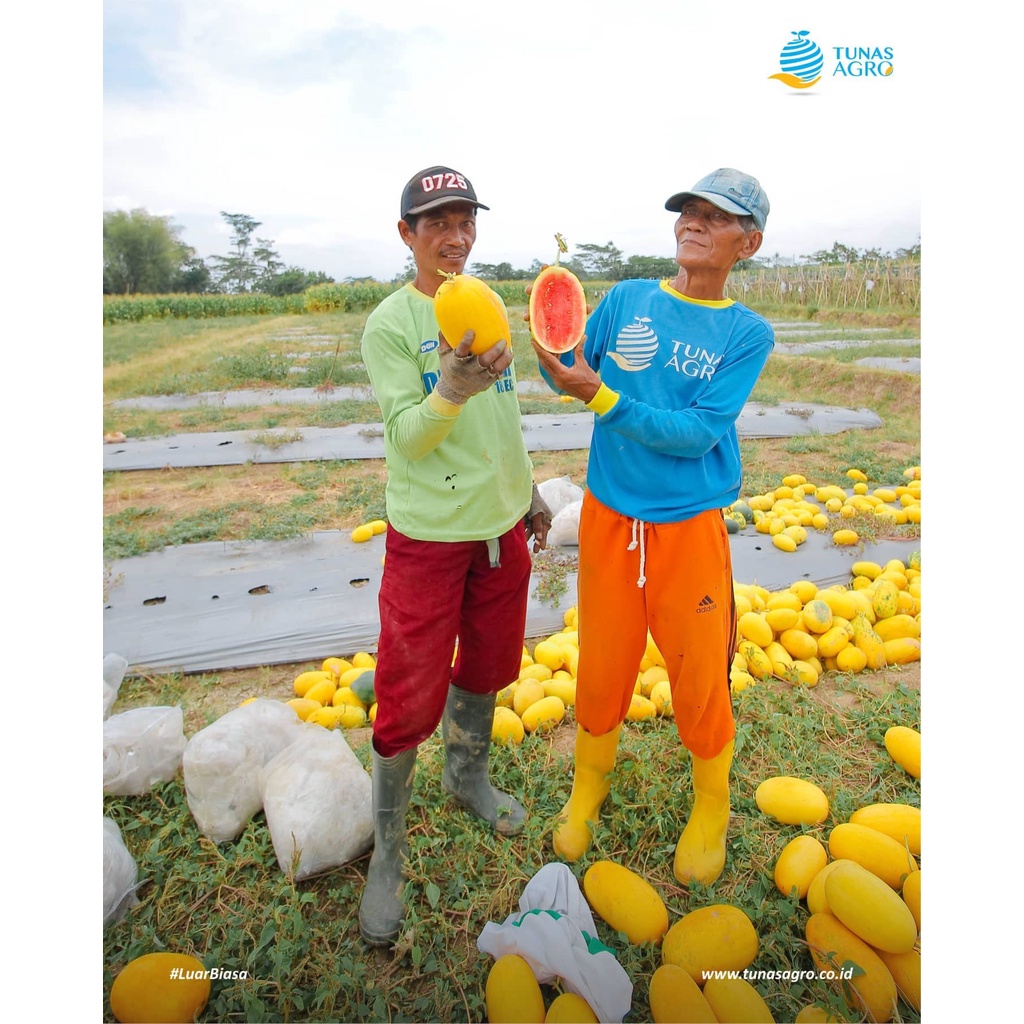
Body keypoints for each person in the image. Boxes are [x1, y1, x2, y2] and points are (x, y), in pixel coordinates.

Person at [531, 168, 773, 887]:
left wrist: (595, 392)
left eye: (715, 216)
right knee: (603, 659)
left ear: (748, 243)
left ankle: (711, 803)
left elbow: (697, 433)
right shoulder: (630, 298)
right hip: (609, 518)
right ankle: (588, 787)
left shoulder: (744, 333)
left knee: (699, 673)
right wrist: (555, 357)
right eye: (688, 210)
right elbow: (570, 370)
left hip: (686, 530)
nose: (693, 221)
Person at [357, 164, 551, 946]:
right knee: (407, 695)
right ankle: (388, 854)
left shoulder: (484, 304)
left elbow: (500, 422)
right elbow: (407, 436)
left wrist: (529, 492)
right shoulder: (391, 326)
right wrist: (451, 387)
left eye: (465, 220)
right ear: (407, 234)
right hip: (429, 535)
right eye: (436, 222)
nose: (455, 235)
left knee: (488, 667)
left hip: (498, 531)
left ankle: (467, 774)